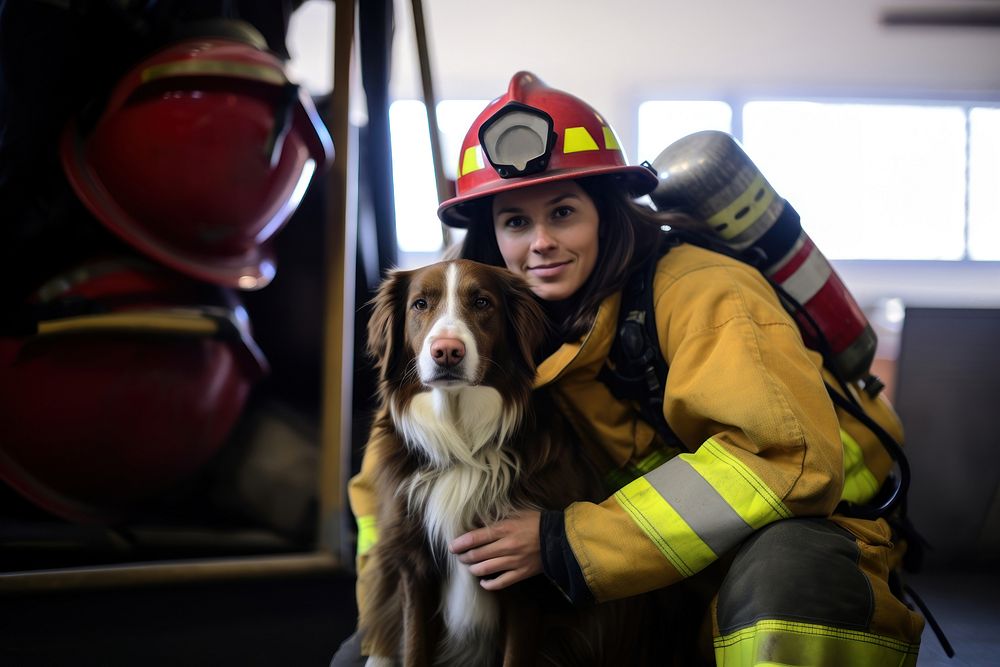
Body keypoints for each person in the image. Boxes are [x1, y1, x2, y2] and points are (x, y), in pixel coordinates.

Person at [336, 71, 925, 666]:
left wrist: (571, 541)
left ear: (608, 212)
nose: (540, 242)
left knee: (791, 592)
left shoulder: (705, 290)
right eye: (516, 221)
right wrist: (383, 637)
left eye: (563, 212)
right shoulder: (497, 318)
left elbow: (783, 459)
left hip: (811, 528)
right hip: (650, 562)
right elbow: (376, 501)